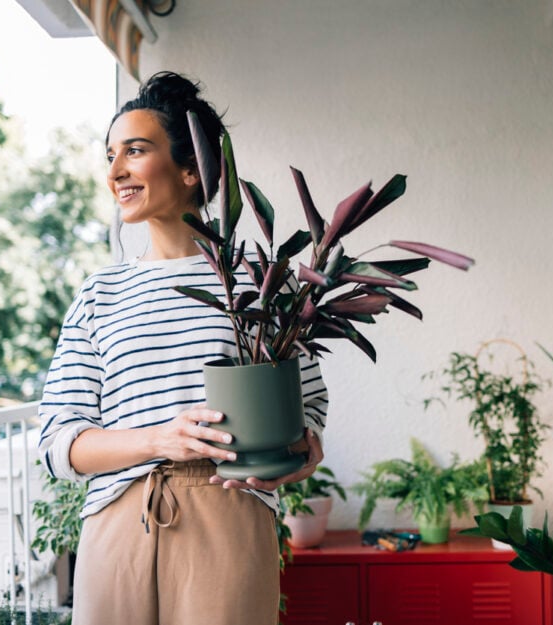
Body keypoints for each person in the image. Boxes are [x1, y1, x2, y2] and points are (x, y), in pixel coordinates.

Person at [38, 71, 328, 625]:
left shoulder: (261, 282)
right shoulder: (101, 294)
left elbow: (307, 410)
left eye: (136, 151)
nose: (116, 171)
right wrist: (159, 438)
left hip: (229, 515)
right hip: (118, 524)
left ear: (191, 168)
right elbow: (58, 442)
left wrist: (299, 456)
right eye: (110, 156)